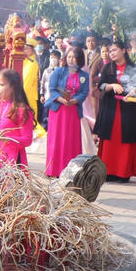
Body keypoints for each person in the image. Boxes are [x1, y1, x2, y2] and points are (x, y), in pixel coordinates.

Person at [94, 39, 136, 182]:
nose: (111, 53)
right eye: (110, 51)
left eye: (114, 50)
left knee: (125, 140)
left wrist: (134, 91)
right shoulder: (107, 68)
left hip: (128, 109)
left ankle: (123, 173)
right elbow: (101, 86)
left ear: (124, 50)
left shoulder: (134, 68)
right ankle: (108, 171)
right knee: (109, 140)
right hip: (110, 108)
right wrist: (111, 86)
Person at [45, 47, 90, 177]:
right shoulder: (59, 71)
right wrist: (60, 99)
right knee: (57, 139)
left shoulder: (84, 75)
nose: (71, 59)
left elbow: (84, 92)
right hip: (58, 111)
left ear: (79, 59)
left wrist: (75, 100)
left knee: (71, 140)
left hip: (73, 111)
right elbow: (52, 89)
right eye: (69, 57)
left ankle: (71, 171)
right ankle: (53, 170)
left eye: (74, 57)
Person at [0, 69, 34, 169]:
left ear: (13, 87)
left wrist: (6, 139)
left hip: (11, 163)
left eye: (1, 85)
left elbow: (27, 140)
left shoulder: (22, 110)